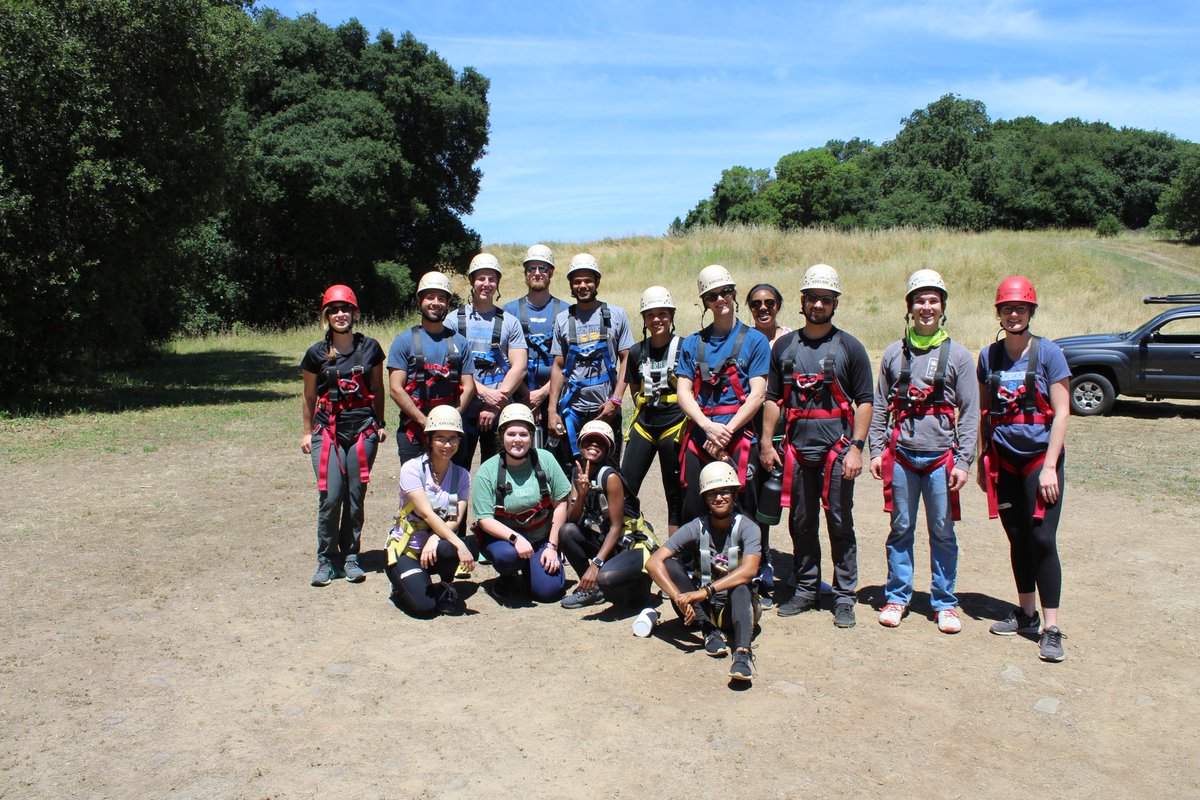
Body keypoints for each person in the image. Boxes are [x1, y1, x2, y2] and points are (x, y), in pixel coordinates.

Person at [761, 264, 873, 628]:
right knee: (801, 522)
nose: (819, 305)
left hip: (837, 450)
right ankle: (807, 588)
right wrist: (766, 441)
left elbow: (866, 401)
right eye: (813, 298)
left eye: (826, 299)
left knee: (840, 522)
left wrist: (856, 448)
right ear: (802, 301)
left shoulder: (850, 348)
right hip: (797, 449)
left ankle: (844, 596)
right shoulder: (785, 348)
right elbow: (773, 399)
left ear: (835, 303)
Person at [868, 270, 979, 633]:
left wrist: (963, 461)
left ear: (943, 307)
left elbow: (970, 412)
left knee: (942, 531)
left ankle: (944, 602)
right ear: (909, 307)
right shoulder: (893, 354)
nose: (926, 307)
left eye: (933, 301)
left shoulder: (959, 356)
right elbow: (881, 405)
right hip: (901, 455)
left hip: (940, 458)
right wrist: (874, 451)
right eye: (920, 300)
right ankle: (898, 596)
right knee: (900, 527)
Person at [977, 276, 1070, 662]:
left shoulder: (1049, 354)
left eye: (1020, 308)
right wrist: (983, 461)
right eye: (1007, 308)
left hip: (1038, 461)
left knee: (1042, 539)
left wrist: (1049, 467)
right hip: (1004, 461)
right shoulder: (989, 356)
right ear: (998, 312)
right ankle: (1026, 614)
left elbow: (1062, 411)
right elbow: (985, 412)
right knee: (1017, 537)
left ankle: (1051, 627)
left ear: (1031, 311)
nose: (1013, 314)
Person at [300, 284, 387, 586]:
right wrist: (307, 432)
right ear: (326, 315)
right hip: (328, 430)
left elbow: (377, 388)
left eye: (345, 309)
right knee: (331, 495)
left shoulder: (370, 348)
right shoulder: (315, 354)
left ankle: (351, 557)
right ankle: (326, 559)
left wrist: (380, 422)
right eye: (334, 310)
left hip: (363, 429)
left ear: (355, 313)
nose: (340, 315)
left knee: (354, 494)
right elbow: (309, 396)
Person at [645, 461, 762, 683]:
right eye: (712, 494)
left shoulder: (748, 528)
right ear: (705, 499)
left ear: (734, 494)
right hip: (702, 610)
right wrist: (678, 597)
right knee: (670, 565)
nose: (718, 498)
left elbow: (750, 570)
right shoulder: (696, 526)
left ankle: (743, 653)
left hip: (734, 606)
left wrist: (704, 592)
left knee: (741, 586)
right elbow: (654, 562)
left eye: (724, 492)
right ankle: (708, 631)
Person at [676, 265, 770, 525]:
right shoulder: (692, 343)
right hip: (701, 433)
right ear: (704, 302)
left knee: (745, 505)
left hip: (739, 434)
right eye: (712, 295)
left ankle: (755, 561)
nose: (720, 299)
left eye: (725, 292)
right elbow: (683, 392)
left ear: (734, 293)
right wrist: (707, 427)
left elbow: (757, 394)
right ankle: (696, 562)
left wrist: (726, 431)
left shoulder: (755, 341)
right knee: (694, 506)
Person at [472, 403, 571, 603]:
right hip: (506, 541)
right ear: (502, 437)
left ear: (532, 436)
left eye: (524, 434)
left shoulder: (546, 460)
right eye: (511, 434)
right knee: (508, 557)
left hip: (541, 536)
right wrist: (516, 539)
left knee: (548, 593)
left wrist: (552, 546)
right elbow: (484, 519)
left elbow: (561, 503)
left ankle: (532, 567)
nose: (517, 440)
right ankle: (508, 576)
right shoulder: (488, 470)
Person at [385, 406, 475, 615]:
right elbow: (426, 512)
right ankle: (403, 582)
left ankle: (444, 585)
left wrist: (435, 537)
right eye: (440, 438)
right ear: (429, 439)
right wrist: (460, 543)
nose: (447, 445)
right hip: (408, 547)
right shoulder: (412, 469)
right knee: (424, 607)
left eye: (453, 438)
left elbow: (454, 517)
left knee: (447, 547)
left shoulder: (461, 475)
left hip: (433, 548)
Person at [559, 420, 659, 609]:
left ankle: (616, 584)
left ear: (608, 450)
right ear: (580, 445)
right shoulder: (577, 473)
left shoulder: (610, 477)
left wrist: (596, 564)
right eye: (589, 441)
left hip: (630, 544)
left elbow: (615, 526)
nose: (594, 445)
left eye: (601, 442)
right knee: (566, 532)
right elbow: (571, 519)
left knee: (607, 578)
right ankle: (591, 589)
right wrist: (580, 495)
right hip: (611, 542)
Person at [547, 253, 633, 466]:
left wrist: (616, 400)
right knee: (571, 473)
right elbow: (558, 366)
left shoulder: (616, 315)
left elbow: (627, 359)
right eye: (577, 281)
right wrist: (552, 410)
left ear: (597, 282)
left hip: (606, 410)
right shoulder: (563, 319)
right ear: (571, 285)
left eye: (588, 280)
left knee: (608, 472)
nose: (583, 285)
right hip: (572, 410)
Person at [446, 252, 528, 469]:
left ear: (498, 283)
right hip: (462, 408)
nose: (486, 284)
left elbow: (519, 366)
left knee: (497, 471)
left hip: (499, 410)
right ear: (472, 281)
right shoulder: (453, 321)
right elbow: (449, 367)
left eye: (492, 279)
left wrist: (496, 403)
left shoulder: (509, 322)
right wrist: (483, 393)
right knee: (456, 470)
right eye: (481, 278)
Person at [386, 271, 476, 464]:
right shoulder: (404, 341)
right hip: (414, 429)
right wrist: (425, 422)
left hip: (452, 431)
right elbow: (395, 389)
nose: (436, 302)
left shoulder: (460, 343)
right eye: (430, 297)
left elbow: (468, 386)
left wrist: (449, 420)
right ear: (420, 301)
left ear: (447, 303)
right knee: (415, 490)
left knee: (452, 489)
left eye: (441, 298)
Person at [621, 286, 685, 536]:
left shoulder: (685, 347)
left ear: (671, 316)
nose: (657, 319)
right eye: (650, 315)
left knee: (675, 492)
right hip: (645, 424)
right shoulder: (637, 351)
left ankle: (676, 552)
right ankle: (630, 538)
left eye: (662, 314)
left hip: (676, 424)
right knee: (624, 487)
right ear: (644, 319)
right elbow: (634, 390)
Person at [746, 283, 792, 608]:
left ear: (778, 305)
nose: (763, 308)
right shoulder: (744, 339)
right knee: (749, 502)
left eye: (769, 302)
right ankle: (755, 564)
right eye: (757, 303)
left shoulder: (791, 340)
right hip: (749, 433)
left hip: (785, 435)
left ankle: (778, 566)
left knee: (775, 503)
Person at [505, 244, 568, 448]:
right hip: (518, 396)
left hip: (557, 397)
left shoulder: (566, 312)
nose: (537, 273)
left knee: (559, 461)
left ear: (551, 272)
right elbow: (505, 360)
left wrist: (542, 395)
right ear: (525, 273)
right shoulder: (510, 311)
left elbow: (569, 362)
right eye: (532, 268)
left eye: (543, 268)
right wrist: (527, 396)